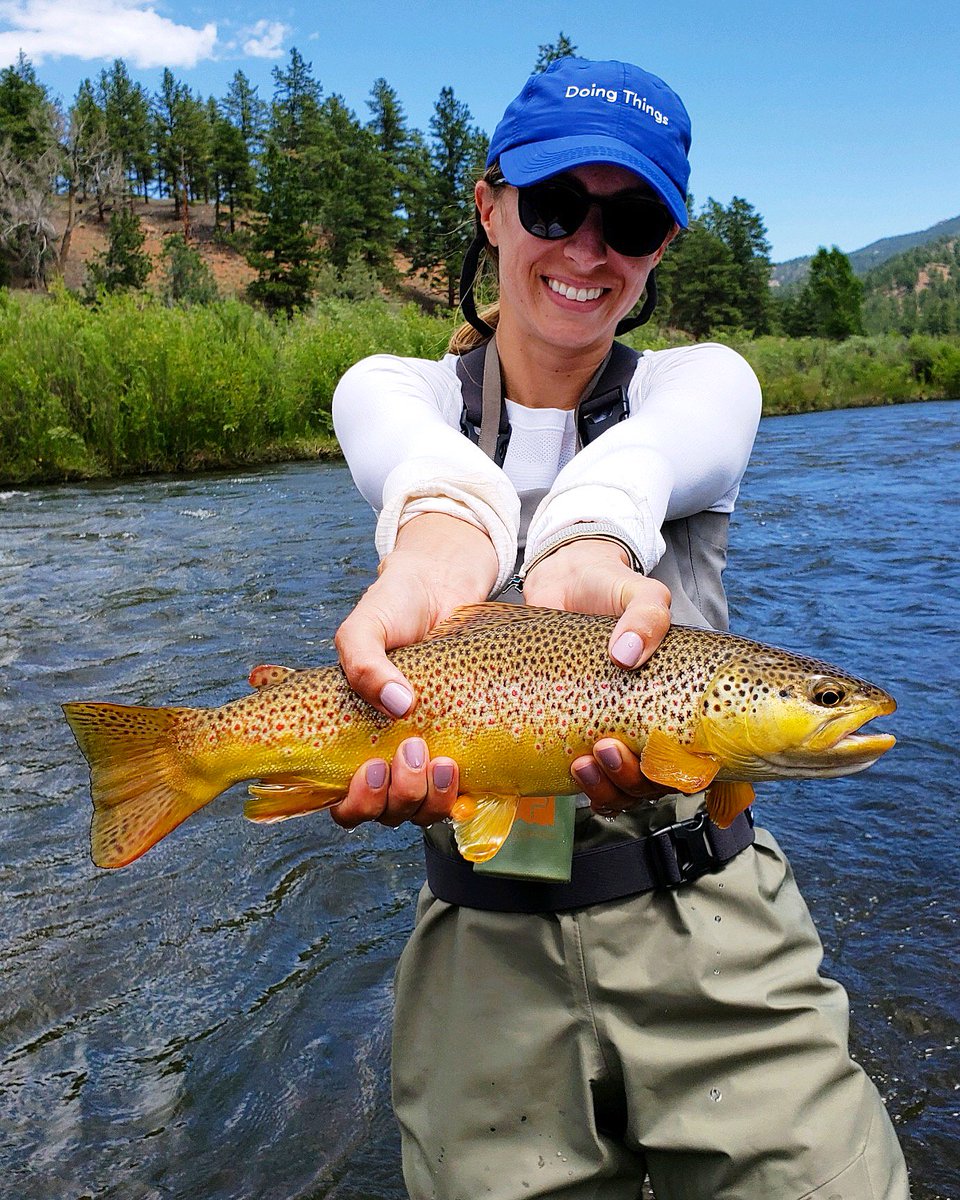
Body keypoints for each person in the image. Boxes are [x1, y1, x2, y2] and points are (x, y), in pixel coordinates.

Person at [330, 56, 909, 1200]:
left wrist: (587, 549)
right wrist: (445, 547)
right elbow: (440, 478)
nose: (589, 250)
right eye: (554, 206)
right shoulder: (392, 391)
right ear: (489, 207)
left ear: (660, 251)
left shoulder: (702, 387)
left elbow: (638, 468)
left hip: (710, 920)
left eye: (632, 220)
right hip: (481, 942)